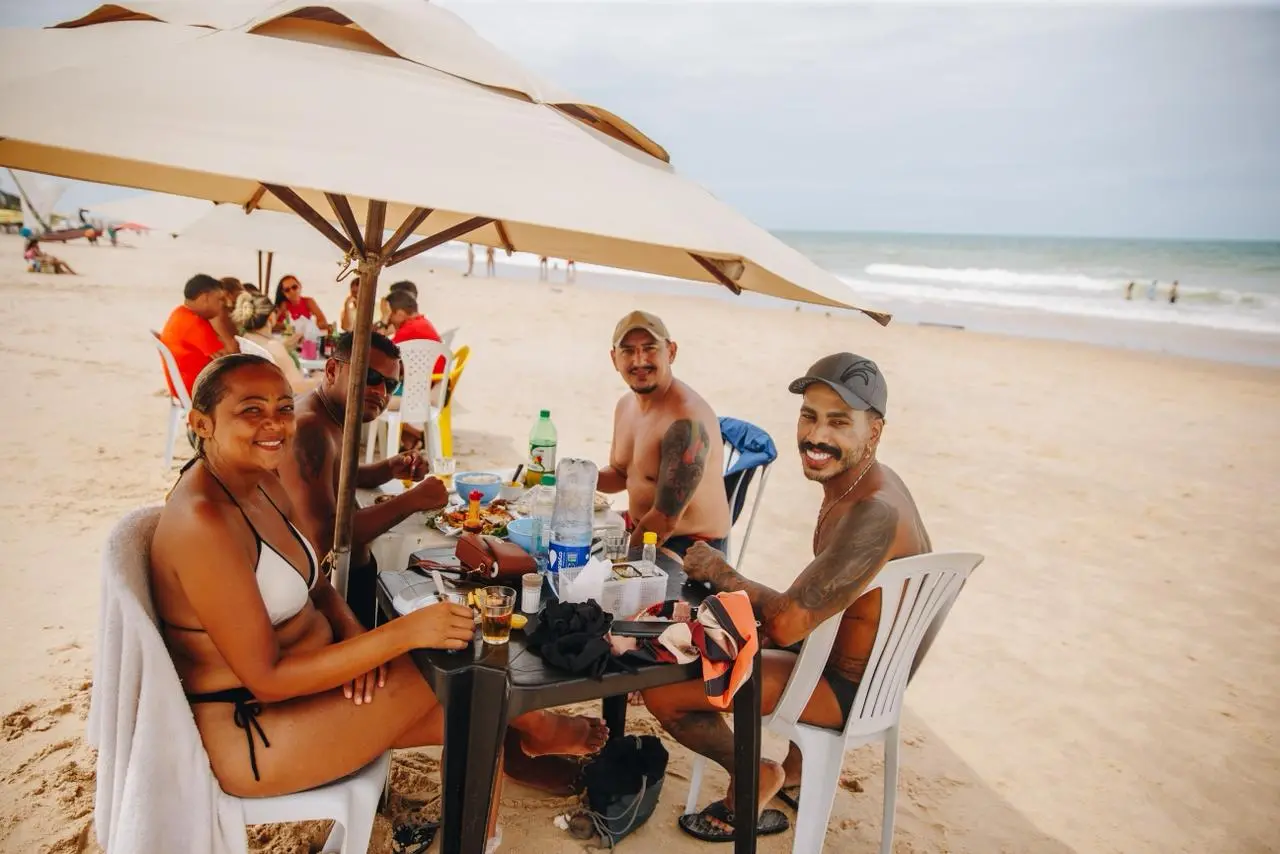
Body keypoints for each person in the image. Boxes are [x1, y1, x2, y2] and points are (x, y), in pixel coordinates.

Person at [275, 334, 608, 780]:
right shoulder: (312, 430)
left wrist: (387, 469)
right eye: (369, 378)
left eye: (389, 386)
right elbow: (328, 538)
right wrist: (410, 502)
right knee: (462, 646)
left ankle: (521, 734)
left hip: (334, 593)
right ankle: (531, 729)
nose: (378, 391)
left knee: (453, 620)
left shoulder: (327, 419)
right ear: (333, 371)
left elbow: (335, 476)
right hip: (328, 602)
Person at [150, 353, 478, 799]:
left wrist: (352, 635)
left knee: (478, 710)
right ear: (202, 423)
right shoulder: (204, 522)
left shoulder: (260, 480)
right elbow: (266, 677)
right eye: (251, 409)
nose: (275, 423)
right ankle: (542, 735)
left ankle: (529, 748)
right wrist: (402, 635)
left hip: (318, 685)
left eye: (284, 408)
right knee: (467, 673)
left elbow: (316, 583)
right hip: (258, 730)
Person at [642, 352, 932, 842]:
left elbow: (787, 625)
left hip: (850, 688)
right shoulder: (869, 484)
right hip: (860, 659)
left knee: (663, 691)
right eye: (809, 416)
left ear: (875, 431)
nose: (817, 436)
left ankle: (757, 771)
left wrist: (721, 571)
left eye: (839, 422)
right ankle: (798, 768)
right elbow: (825, 610)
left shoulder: (873, 514)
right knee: (718, 636)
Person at [596, 311, 730, 556]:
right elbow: (620, 474)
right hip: (641, 529)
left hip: (691, 547)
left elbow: (664, 521)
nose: (639, 361)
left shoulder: (686, 422)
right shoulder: (626, 405)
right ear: (614, 359)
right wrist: (575, 478)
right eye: (627, 351)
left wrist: (618, 561)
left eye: (650, 348)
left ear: (671, 352)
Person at [160, 274, 237, 397]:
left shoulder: (179, 313)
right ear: (205, 298)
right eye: (220, 299)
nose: (224, 304)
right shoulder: (196, 323)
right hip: (199, 392)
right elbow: (231, 360)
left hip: (182, 389)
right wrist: (221, 320)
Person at [232, 291, 318, 395]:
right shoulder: (274, 347)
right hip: (292, 403)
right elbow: (296, 387)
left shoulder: (247, 338)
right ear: (271, 317)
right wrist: (319, 380)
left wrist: (284, 347)